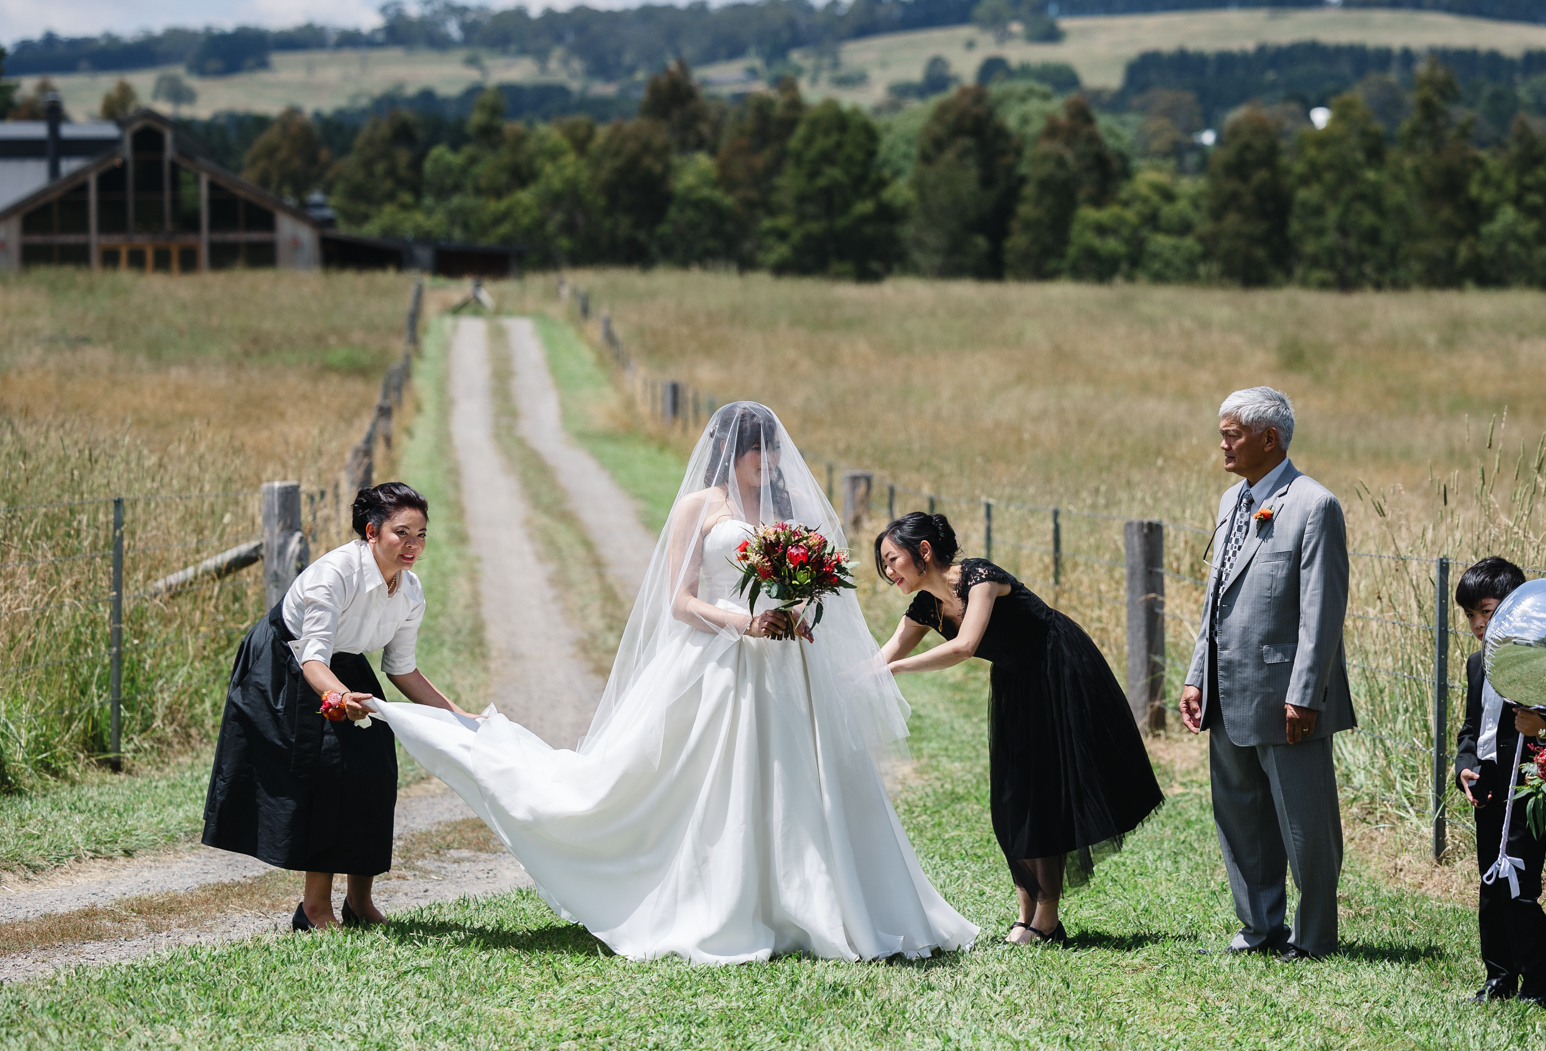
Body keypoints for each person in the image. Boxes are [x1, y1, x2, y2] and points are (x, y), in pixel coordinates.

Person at [376, 402, 977, 964]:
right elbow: (681, 601)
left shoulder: (789, 508)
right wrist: (745, 622)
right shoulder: (698, 507)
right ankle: (717, 900)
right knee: (689, 784)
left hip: (788, 664)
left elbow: (817, 584)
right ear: (728, 452)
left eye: (771, 451)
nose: (767, 463)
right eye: (755, 454)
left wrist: (798, 606)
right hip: (717, 658)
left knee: (800, 781)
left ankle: (813, 898)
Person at [876, 511, 1164, 945]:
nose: (887, 571)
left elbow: (966, 645)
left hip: (1056, 668)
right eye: (883, 564)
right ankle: (1026, 911)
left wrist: (898, 669)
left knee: (1043, 791)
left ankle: (1046, 918)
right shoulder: (924, 606)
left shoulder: (980, 577)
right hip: (1014, 680)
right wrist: (837, 683)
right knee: (1010, 798)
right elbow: (883, 655)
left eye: (892, 559)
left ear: (924, 552)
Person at [203, 482, 475, 931]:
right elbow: (312, 658)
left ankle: (359, 903)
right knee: (326, 773)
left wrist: (457, 714)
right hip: (286, 661)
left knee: (376, 771)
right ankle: (313, 910)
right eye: (401, 532)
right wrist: (339, 698)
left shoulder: (410, 591)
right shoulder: (335, 574)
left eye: (422, 534)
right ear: (371, 532)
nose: (413, 545)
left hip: (344, 663)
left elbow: (402, 670)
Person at [1179, 386, 1353, 960]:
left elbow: (1321, 612)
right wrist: (1195, 674)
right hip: (1227, 693)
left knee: (1306, 826)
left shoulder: (1314, 504)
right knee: (1240, 816)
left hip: (1286, 699)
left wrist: (1305, 694)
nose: (1222, 443)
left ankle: (1314, 937)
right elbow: (1216, 598)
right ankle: (1259, 928)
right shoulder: (1232, 500)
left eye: (1232, 433)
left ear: (1268, 438)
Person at [1453, 556, 1546, 1010]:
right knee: (1490, 886)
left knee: (1519, 889)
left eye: (1487, 611)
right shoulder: (1475, 664)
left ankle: (1545, 986)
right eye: (1471, 615)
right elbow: (1471, 729)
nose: (1479, 624)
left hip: (1525, 791)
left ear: (1517, 608)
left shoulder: (1543, 666)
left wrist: (1540, 728)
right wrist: (1465, 764)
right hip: (1486, 786)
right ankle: (1499, 978)